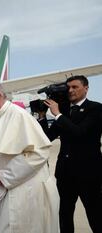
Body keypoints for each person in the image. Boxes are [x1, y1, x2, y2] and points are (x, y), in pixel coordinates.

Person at [0, 82, 59, 233]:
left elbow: (38, 153)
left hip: (26, 194)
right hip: (12, 190)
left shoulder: (19, 116)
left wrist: (5, 176)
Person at [42, 75, 102, 233]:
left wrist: (58, 114)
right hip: (65, 173)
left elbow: (80, 133)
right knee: (64, 215)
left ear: (86, 88)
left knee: (96, 215)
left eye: (75, 87)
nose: (70, 90)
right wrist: (42, 116)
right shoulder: (65, 111)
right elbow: (47, 137)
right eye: (68, 87)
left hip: (89, 174)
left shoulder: (96, 108)